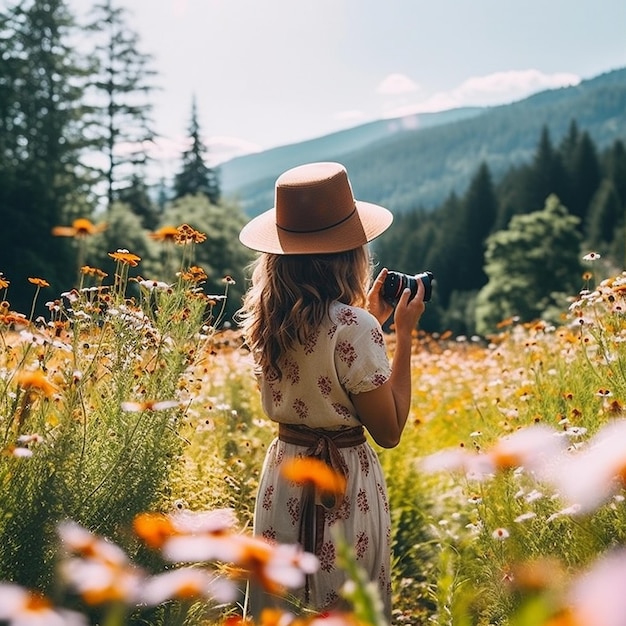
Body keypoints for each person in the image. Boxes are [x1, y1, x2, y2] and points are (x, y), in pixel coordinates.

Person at [236, 161, 425, 619]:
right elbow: (389, 430)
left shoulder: (268, 319)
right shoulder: (354, 327)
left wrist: (372, 326)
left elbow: (318, 362)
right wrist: (403, 335)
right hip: (343, 480)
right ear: (348, 253)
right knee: (343, 605)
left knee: (283, 603)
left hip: (285, 474)